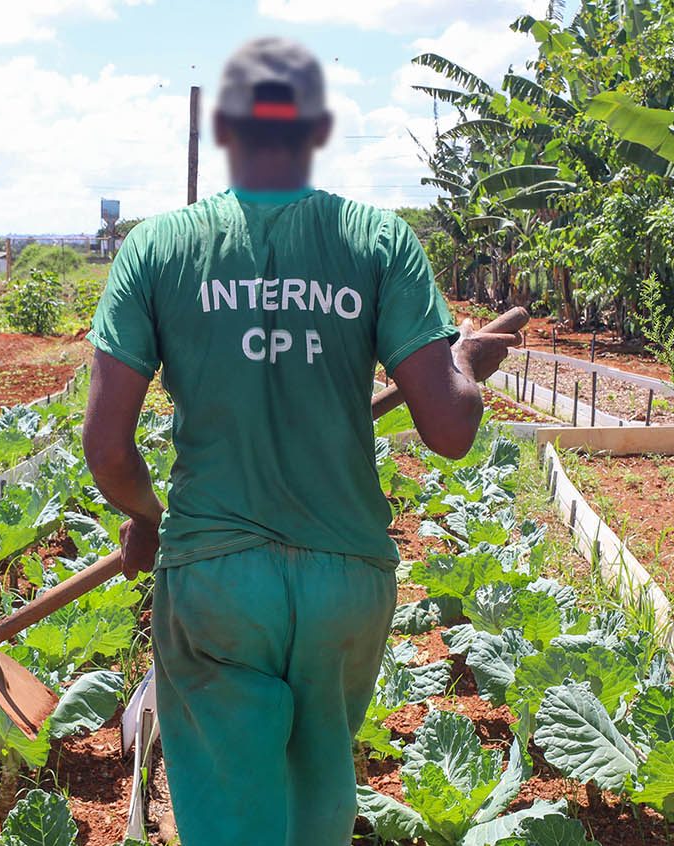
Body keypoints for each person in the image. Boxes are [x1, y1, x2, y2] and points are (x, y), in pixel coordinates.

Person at [81, 36, 523, 846]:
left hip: (216, 577)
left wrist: (148, 518)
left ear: (223, 126)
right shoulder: (378, 242)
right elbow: (450, 430)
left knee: (230, 819)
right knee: (314, 802)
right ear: (315, 126)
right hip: (344, 580)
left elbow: (108, 449)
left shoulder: (156, 248)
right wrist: (461, 363)